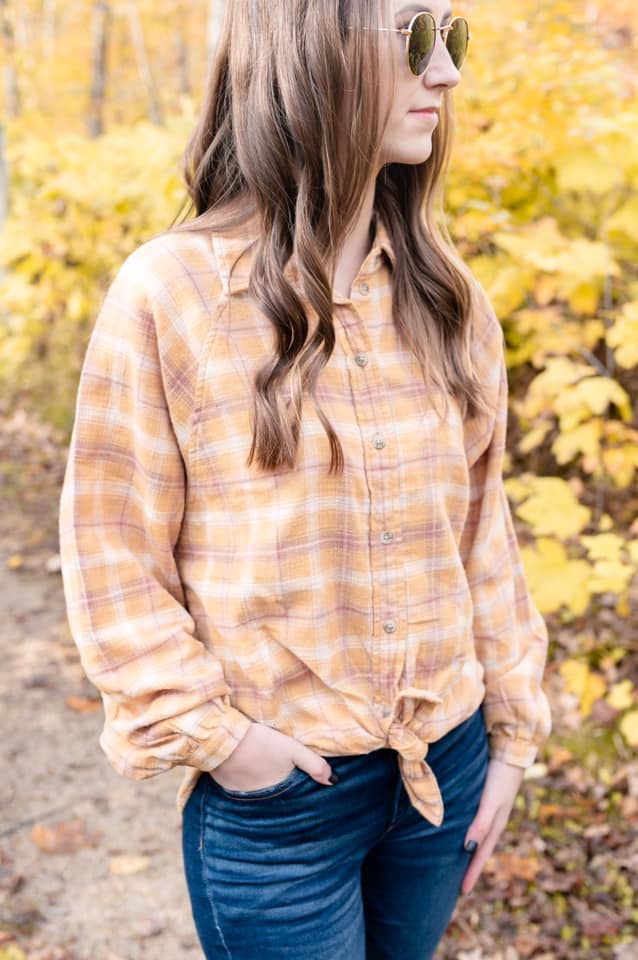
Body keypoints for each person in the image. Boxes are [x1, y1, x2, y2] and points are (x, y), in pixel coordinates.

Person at [58, 0, 552, 957]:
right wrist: (227, 746)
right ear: (306, 48)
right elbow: (112, 558)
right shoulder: (172, 295)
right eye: (415, 35)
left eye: (456, 37)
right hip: (284, 806)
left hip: (443, 769)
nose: (445, 72)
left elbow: (481, 532)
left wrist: (510, 735)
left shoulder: (447, 298)